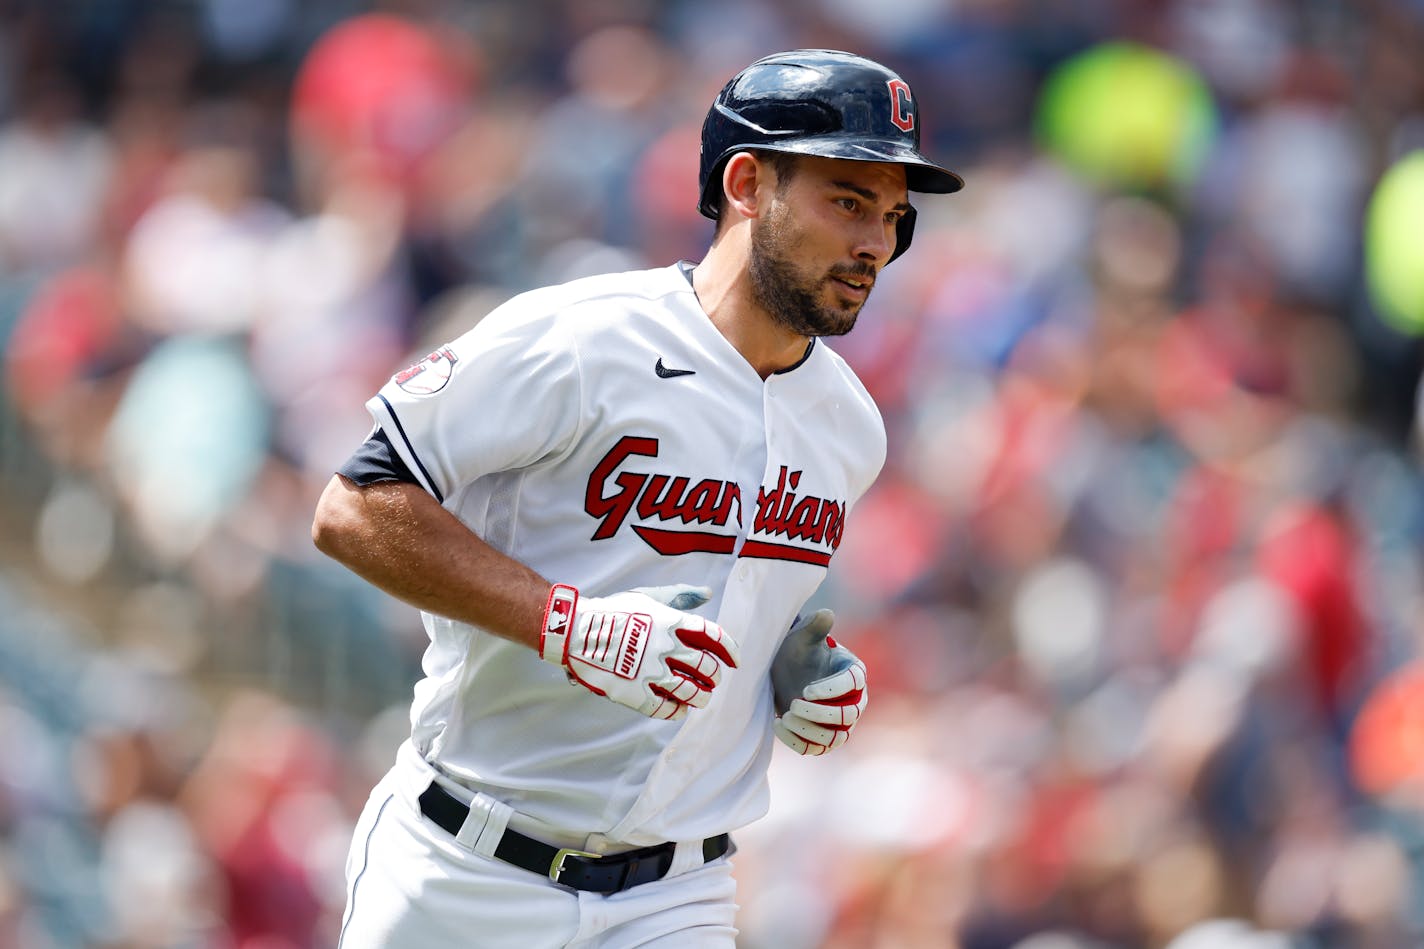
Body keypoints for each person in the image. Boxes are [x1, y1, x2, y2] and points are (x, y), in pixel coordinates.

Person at [312, 48, 963, 948]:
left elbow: (737, 602)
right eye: (847, 200)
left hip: (676, 895)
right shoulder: (583, 339)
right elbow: (352, 507)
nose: (874, 244)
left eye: (894, 216)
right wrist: (568, 625)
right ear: (746, 182)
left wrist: (789, 675)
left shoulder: (852, 428)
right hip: (468, 868)